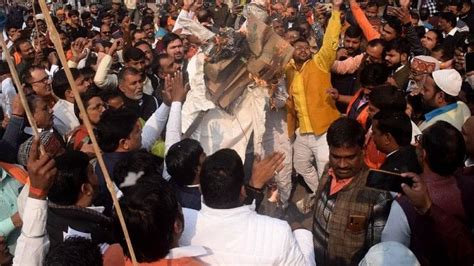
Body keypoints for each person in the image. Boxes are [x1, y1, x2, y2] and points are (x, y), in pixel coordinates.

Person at [180, 149, 315, 265]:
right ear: (242, 191)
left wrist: (254, 186)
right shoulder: (278, 232)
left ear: (200, 189)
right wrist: (301, 233)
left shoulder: (182, 223)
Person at [382, 121, 474, 265]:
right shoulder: (469, 186)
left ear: (423, 154)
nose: (415, 144)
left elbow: (389, 254)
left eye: (419, 140)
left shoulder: (405, 205)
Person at [312, 117, 392, 265]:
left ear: (362, 151)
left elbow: (375, 252)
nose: (342, 165)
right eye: (336, 157)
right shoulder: (327, 171)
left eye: (350, 157)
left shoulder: (377, 194)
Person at [286, 0, 342, 195]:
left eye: (306, 48)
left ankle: (328, 200)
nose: (303, 50)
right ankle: (321, 194)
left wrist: (335, 11)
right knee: (301, 166)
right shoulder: (288, 71)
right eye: (297, 48)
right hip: (302, 132)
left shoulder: (319, 63)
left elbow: (330, 42)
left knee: (326, 170)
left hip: (323, 130)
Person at [166, 139, 205, 210]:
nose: (208, 157)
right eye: (204, 156)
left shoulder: (174, 178)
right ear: (197, 169)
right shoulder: (201, 202)